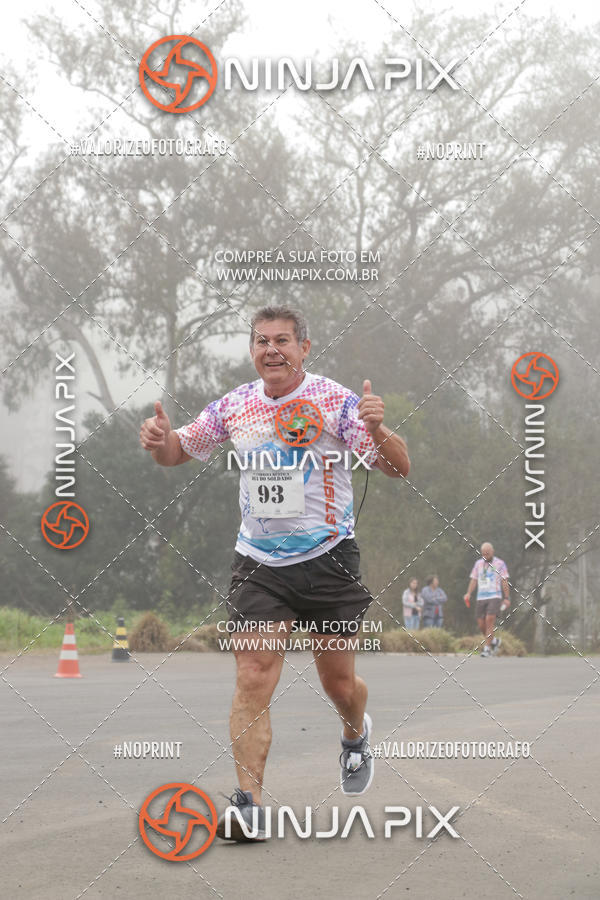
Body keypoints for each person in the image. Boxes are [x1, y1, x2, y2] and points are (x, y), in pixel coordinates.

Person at [139, 305, 410, 841]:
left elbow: (399, 466)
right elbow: (178, 452)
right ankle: (248, 806)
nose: (271, 350)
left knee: (338, 682)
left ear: (304, 348)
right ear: (252, 351)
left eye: (282, 340)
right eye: (261, 341)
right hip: (259, 564)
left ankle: (355, 736)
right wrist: (159, 440)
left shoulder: (336, 401)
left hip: (329, 560)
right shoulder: (235, 405)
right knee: (254, 674)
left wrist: (378, 430)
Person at [464, 542, 510, 658]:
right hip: (481, 597)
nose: (485, 556)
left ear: (492, 552)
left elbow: (504, 581)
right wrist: (468, 593)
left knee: (489, 620)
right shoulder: (478, 564)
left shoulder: (500, 564)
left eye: (487, 553)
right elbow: (474, 579)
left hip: (494, 596)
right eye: (483, 554)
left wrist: (507, 597)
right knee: (481, 624)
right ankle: (493, 641)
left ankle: (487, 648)